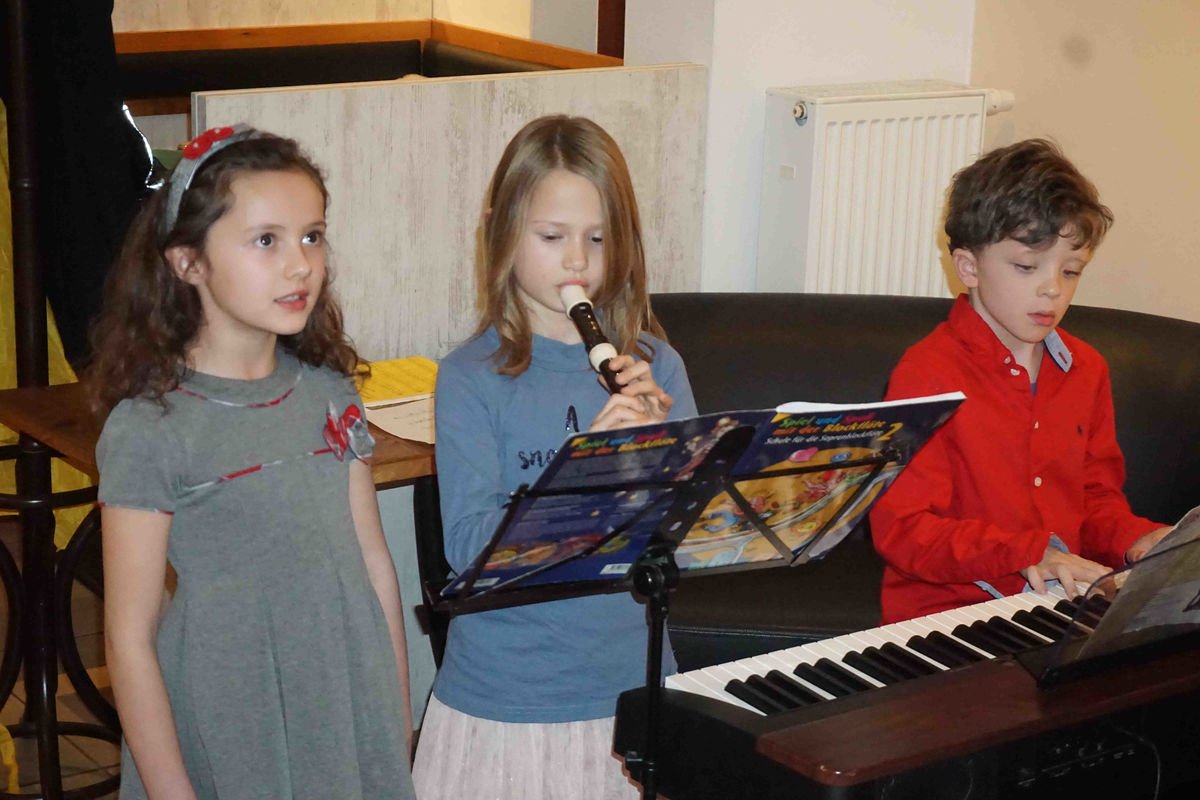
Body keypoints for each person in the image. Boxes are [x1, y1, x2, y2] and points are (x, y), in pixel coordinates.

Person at [88, 125, 416, 799]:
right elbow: (128, 638)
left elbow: (374, 567)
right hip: (228, 713)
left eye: (312, 236)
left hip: (341, 698)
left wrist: (395, 725)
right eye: (267, 240)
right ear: (187, 262)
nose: (300, 265)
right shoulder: (151, 428)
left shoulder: (330, 395)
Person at [413, 115, 697, 799]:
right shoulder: (470, 378)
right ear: (500, 231)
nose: (577, 262)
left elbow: (686, 546)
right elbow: (469, 548)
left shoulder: (658, 366)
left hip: (629, 685)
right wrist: (591, 468)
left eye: (597, 238)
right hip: (507, 696)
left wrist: (659, 462)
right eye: (552, 236)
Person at [869, 138, 1172, 625]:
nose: (1052, 289)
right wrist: (1027, 553)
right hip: (947, 616)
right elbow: (905, 530)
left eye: (1071, 271)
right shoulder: (928, 372)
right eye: (1026, 267)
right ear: (969, 267)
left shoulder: (1086, 368)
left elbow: (1095, 502)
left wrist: (1139, 540)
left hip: (1062, 605)